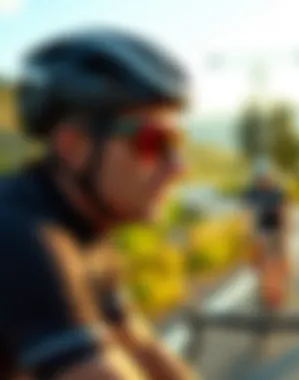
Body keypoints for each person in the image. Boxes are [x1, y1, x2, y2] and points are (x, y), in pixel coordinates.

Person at [0, 27, 199, 380]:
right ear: (73, 146)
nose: (178, 167)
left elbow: (138, 343)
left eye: (177, 141)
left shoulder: (85, 231)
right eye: (153, 141)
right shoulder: (20, 235)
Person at [242, 159, 290, 310]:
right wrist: (249, 234)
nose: (263, 179)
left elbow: (283, 211)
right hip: (261, 233)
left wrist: (285, 230)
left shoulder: (276, 192)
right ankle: (268, 293)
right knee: (263, 265)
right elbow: (247, 214)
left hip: (275, 231)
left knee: (276, 263)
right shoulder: (252, 193)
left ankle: (275, 293)